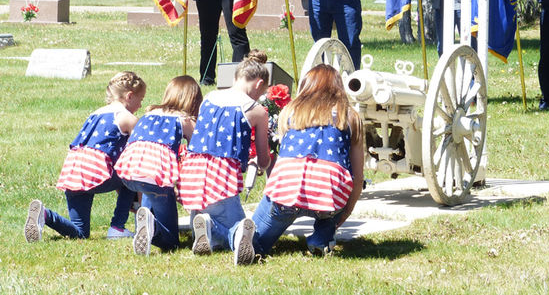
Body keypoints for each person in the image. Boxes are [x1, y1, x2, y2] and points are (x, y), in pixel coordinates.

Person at [249, 64, 364, 258]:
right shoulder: (349, 115)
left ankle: (251, 241)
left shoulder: (290, 112)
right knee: (335, 184)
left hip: (287, 188)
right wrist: (345, 212)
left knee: (257, 237)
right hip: (328, 195)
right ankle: (321, 238)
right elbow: (358, 176)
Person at [24, 72, 146, 243]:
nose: (141, 104)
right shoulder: (127, 118)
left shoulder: (95, 113)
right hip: (93, 172)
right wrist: (139, 200)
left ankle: (44, 215)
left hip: (73, 171)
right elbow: (137, 156)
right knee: (131, 175)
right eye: (141, 99)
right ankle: (117, 226)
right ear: (130, 96)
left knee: (80, 232)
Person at [178, 50, 271, 265]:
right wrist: (259, 164)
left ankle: (205, 227)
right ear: (258, 84)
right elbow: (264, 157)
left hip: (193, 170)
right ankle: (216, 228)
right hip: (223, 176)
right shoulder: (256, 110)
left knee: (206, 230)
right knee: (247, 235)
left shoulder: (209, 98)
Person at [114, 75, 202, 255]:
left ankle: (144, 223)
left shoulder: (148, 113)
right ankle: (152, 228)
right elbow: (197, 155)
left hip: (129, 171)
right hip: (155, 177)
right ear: (193, 100)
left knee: (148, 187)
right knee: (171, 242)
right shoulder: (184, 120)